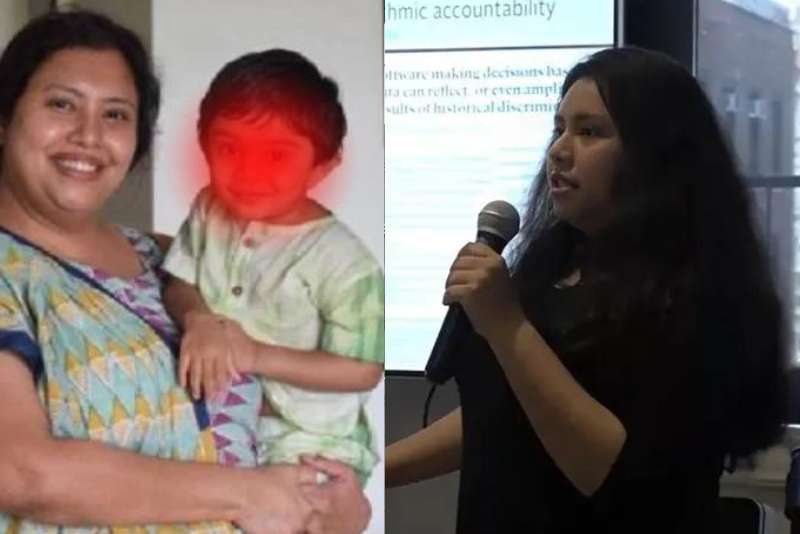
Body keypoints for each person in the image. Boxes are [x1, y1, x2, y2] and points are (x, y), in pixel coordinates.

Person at [386, 47, 788, 533]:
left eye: (590, 131)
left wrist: (507, 327)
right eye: (559, 128)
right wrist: (370, 471)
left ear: (654, 157)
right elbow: (509, 413)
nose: (559, 149)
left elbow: (610, 473)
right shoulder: (554, 267)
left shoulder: (694, 297)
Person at [0, 10, 370, 534]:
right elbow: (21, 472)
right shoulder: (12, 271)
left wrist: (329, 508)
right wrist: (250, 495)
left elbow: (264, 428)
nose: (88, 135)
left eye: (116, 115)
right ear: (4, 117)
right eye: (61, 104)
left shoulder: (170, 261)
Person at [160, 49, 384, 483]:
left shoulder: (346, 262)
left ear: (323, 165)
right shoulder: (210, 209)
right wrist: (199, 319)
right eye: (229, 147)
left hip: (310, 443)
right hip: (226, 422)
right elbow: (177, 280)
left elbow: (362, 369)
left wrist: (254, 355)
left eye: (277, 155)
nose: (249, 171)